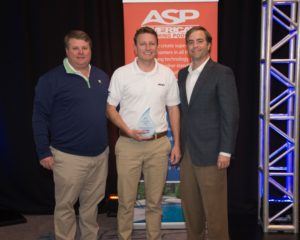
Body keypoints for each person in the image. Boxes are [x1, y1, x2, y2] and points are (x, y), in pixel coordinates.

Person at [32, 30, 109, 240]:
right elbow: (39, 117)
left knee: (91, 207)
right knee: (65, 208)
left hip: (100, 156)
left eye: (85, 48)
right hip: (67, 157)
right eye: (75, 48)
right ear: (67, 51)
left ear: (91, 50)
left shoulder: (102, 76)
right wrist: (43, 152)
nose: (81, 52)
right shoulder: (51, 79)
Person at [106, 26, 181, 240]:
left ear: (157, 46)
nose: (147, 47)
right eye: (143, 43)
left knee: (155, 201)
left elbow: (173, 108)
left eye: (151, 43)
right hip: (128, 144)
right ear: (135, 47)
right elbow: (110, 108)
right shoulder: (122, 74)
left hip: (158, 145)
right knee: (126, 201)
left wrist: (177, 143)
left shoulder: (166, 74)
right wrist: (127, 129)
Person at [178, 26, 239, 240]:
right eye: (191, 41)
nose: (195, 45)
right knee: (191, 211)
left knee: (215, 214)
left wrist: (226, 151)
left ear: (209, 44)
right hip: (188, 153)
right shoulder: (182, 73)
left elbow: (230, 115)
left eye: (199, 41)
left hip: (213, 154)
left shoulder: (221, 73)